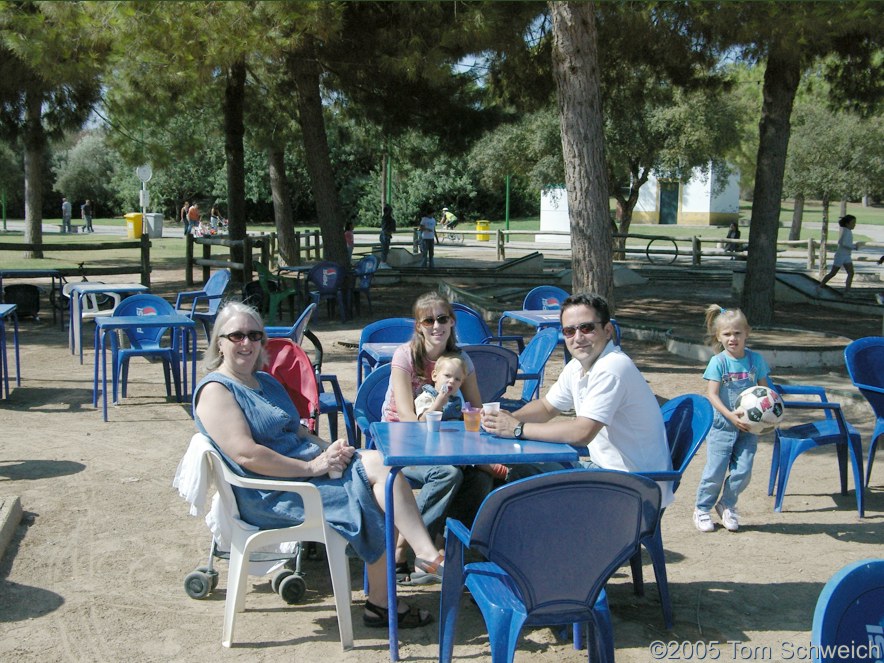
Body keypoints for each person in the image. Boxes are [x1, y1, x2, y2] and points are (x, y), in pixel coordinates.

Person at [193, 302, 443, 628]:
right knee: (381, 478)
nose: (247, 343)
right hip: (273, 494)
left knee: (383, 471)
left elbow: (295, 429)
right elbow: (247, 456)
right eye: (237, 335)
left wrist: (329, 449)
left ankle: (389, 595)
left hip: (304, 473)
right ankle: (416, 564)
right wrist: (313, 467)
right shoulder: (216, 391)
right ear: (220, 342)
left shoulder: (263, 382)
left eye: (254, 335)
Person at [481, 293, 674, 504]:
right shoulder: (578, 366)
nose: (578, 337)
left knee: (521, 487)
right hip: (609, 475)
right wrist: (504, 420)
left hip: (632, 490)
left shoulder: (612, 367)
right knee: (521, 472)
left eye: (587, 328)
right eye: (569, 331)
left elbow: (582, 433)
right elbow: (547, 407)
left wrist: (517, 428)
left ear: (607, 330)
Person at [381, 291, 493, 582]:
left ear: (452, 322)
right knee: (447, 474)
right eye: (428, 320)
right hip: (401, 440)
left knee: (481, 479)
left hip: (444, 442)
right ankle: (400, 547)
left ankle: (440, 547)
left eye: (442, 318)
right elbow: (406, 416)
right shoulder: (405, 355)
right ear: (418, 326)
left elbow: (475, 408)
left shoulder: (461, 360)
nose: (435, 325)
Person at [693, 305, 773, 533]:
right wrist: (729, 415)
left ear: (747, 332)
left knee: (743, 470)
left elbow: (766, 394)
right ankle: (702, 508)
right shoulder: (719, 362)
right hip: (722, 426)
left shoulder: (756, 360)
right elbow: (712, 394)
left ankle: (727, 503)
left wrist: (768, 418)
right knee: (715, 471)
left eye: (737, 333)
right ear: (719, 336)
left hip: (749, 428)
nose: (733, 338)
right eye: (727, 334)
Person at [413, 353, 465, 421]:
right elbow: (423, 420)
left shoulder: (456, 397)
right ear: (434, 376)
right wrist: (438, 404)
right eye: (447, 375)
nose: (452, 381)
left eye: (457, 379)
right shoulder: (426, 397)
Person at [819, 214, 859, 295]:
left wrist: (852, 247)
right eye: (853, 223)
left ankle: (847, 291)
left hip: (847, 256)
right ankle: (820, 286)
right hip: (840, 256)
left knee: (851, 273)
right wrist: (854, 247)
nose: (854, 224)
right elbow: (842, 243)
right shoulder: (845, 231)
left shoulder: (848, 231)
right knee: (833, 273)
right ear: (847, 224)